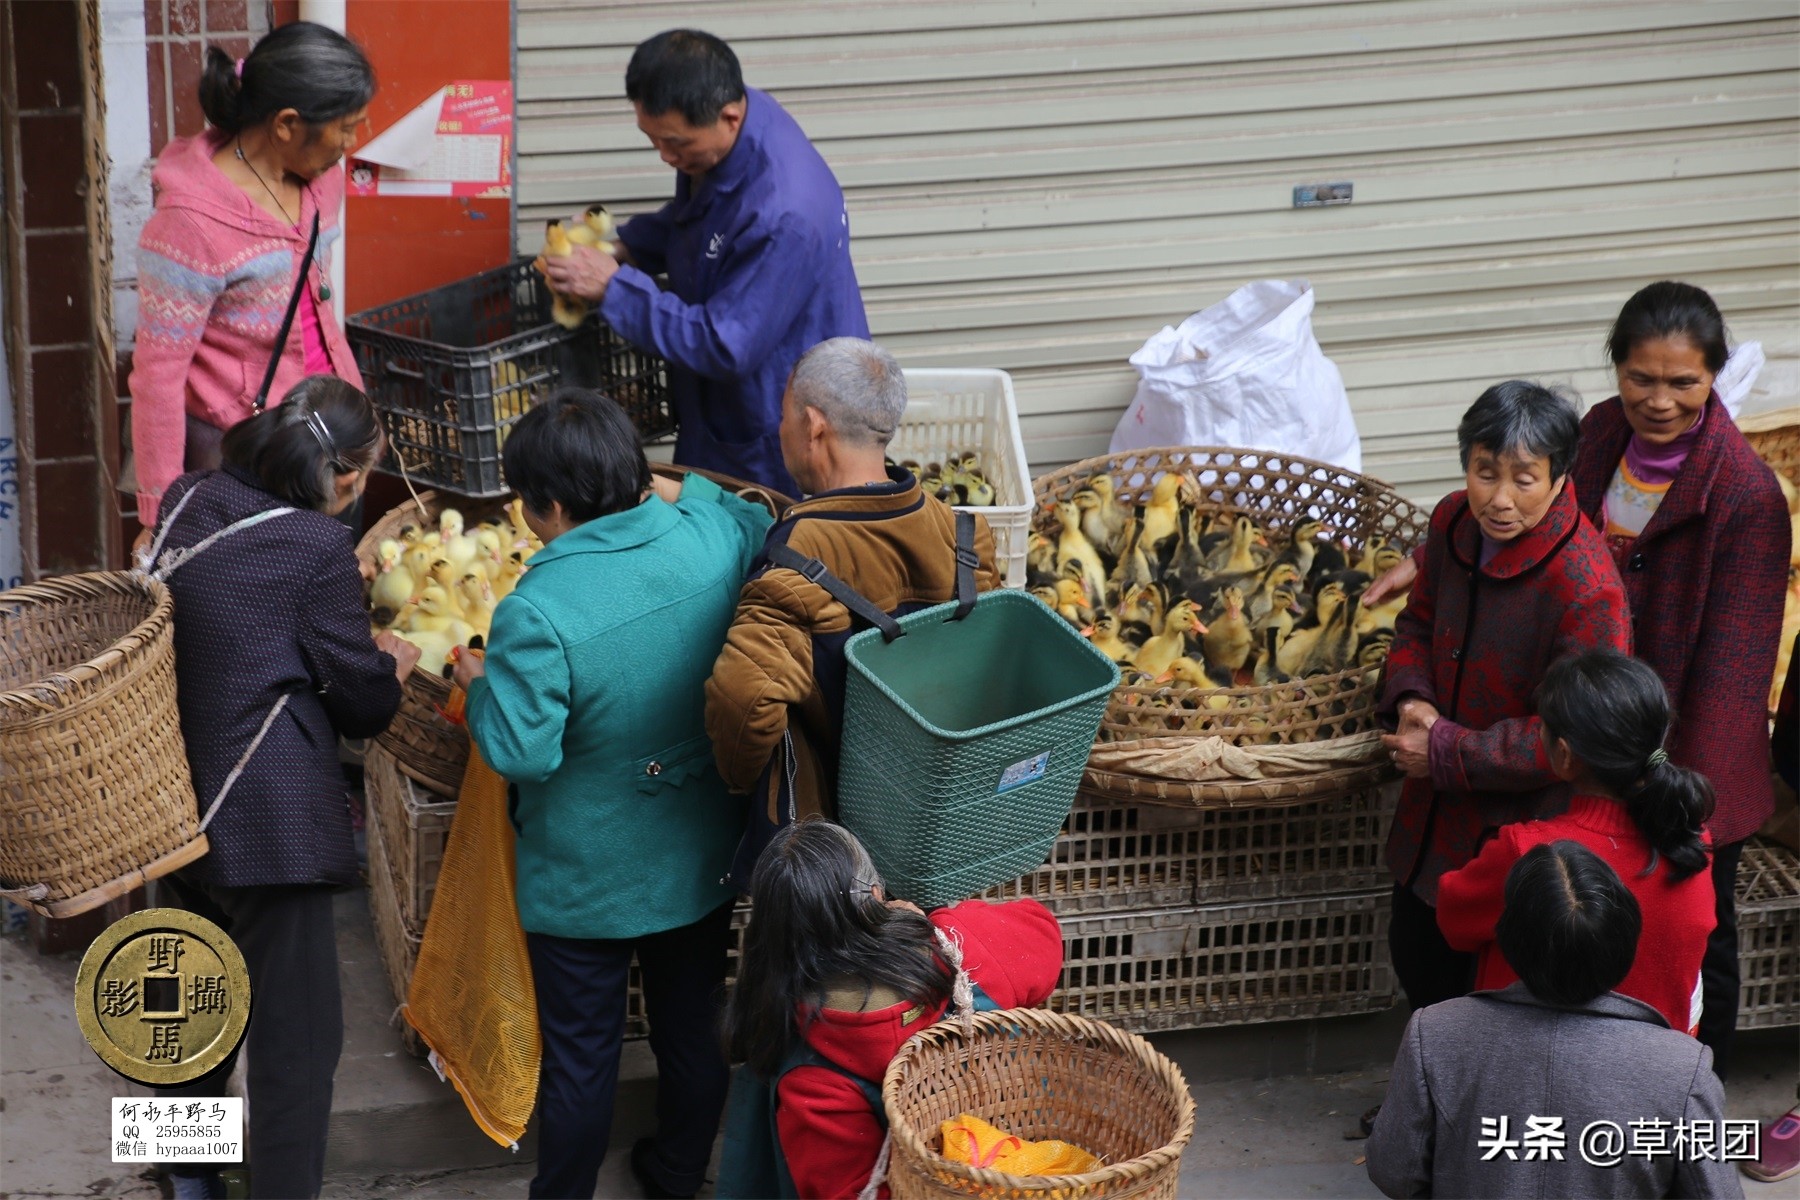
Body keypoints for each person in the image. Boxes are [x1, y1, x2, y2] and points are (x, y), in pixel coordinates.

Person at [1366, 284, 1790, 1067]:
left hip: (1679, 751)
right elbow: (1520, 504)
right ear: (1617, 372)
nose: (1658, 400)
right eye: (1640, 378)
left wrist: (1655, 785)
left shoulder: (1745, 497)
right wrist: (1437, 558)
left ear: (1714, 380)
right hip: (1582, 722)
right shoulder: (1596, 433)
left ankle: (1694, 1105)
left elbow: (1731, 675)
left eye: (1682, 383)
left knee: (1694, 941)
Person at [451, 388, 773, 1200]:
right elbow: (741, 509)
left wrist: (478, 686)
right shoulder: (709, 541)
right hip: (699, 853)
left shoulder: (539, 610)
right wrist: (665, 488)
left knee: (583, 1060)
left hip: (587, 879)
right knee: (693, 1033)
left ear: (550, 507)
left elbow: (524, 752)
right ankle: (673, 1174)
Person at [146, 376, 417, 1200]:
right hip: (272, 827)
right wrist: (391, 666)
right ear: (339, 476)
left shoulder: (187, 497)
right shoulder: (314, 549)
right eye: (363, 475)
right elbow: (362, 702)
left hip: (174, 804)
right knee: (298, 1051)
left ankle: (185, 1181)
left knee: (183, 1024)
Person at [704, 338, 1001, 879]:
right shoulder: (964, 535)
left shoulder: (796, 559)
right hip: (945, 829)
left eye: (784, 417)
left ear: (813, 425)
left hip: (836, 858)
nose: (780, 432)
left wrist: (742, 781)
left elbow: (742, 702)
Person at [1377, 380, 1630, 1012]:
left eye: (1524, 478)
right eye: (1484, 472)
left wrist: (1444, 748)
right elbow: (1416, 623)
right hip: (1432, 818)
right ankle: (1427, 1104)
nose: (1499, 499)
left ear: (1559, 477)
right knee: (1417, 957)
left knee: (1492, 993)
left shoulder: (1585, 585)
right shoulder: (1451, 522)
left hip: (1518, 832)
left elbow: (1572, 736)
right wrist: (1413, 698)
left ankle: (1473, 1110)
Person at [540, 30, 869, 496]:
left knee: (760, 534)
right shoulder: (740, 125)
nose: (665, 156)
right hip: (724, 397)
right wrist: (628, 248)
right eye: (652, 139)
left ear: (729, 117)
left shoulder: (785, 213)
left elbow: (726, 344)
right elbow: (704, 218)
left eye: (676, 144)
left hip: (776, 408)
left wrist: (616, 288)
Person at [1366, 841, 1742, 1199]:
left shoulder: (1434, 1035)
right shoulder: (1682, 1068)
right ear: (1625, 943)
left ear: (1510, 940)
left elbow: (1394, 1172)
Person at [718, 821, 1064, 1200]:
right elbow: (1043, 931)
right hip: (1025, 1166)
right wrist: (931, 924)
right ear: (876, 891)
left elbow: (849, 1191)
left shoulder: (810, 1076)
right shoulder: (965, 948)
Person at [129, 22, 375, 534]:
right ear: (286, 123)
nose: (352, 145)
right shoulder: (188, 226)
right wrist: (161, 514)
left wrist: (360, 418)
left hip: (330, 441)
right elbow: (158, 378)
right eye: (345, 128)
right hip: (252, 460)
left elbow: (317, 311)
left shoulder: (320, 180)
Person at [1436, 649, 1715, 1034]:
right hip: (1660, 1063)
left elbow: (1454, 918)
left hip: (1537, 1060)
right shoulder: (1692, 835)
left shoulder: (1526, 851)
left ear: (1564, 755)